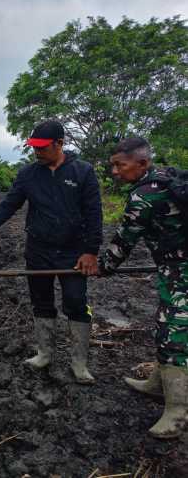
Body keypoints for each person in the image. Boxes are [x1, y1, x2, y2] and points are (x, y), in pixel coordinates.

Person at [0, 120, 102, 384]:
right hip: (38, 249)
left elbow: (94, 214)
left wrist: (91, 251)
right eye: (34, 148)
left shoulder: (83, 172)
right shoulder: (28, 174)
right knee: (41, 300)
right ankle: (45, 354)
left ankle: (79, 363)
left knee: (75, 302)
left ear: (59, 143)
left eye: (43, 148)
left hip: (73, 252)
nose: (37, 153)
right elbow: (9, 205)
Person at [99, 137, 188, 439]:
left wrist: (102, 268)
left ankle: (178, 410)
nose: (114, 171)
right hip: (173, 267)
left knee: (173, 334)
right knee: (165, 323)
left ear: (143, 164)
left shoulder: (144, 196)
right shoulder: (167, 179)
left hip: (182, 271)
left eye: (119, 165)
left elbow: (124, 240)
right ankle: (157, 383)